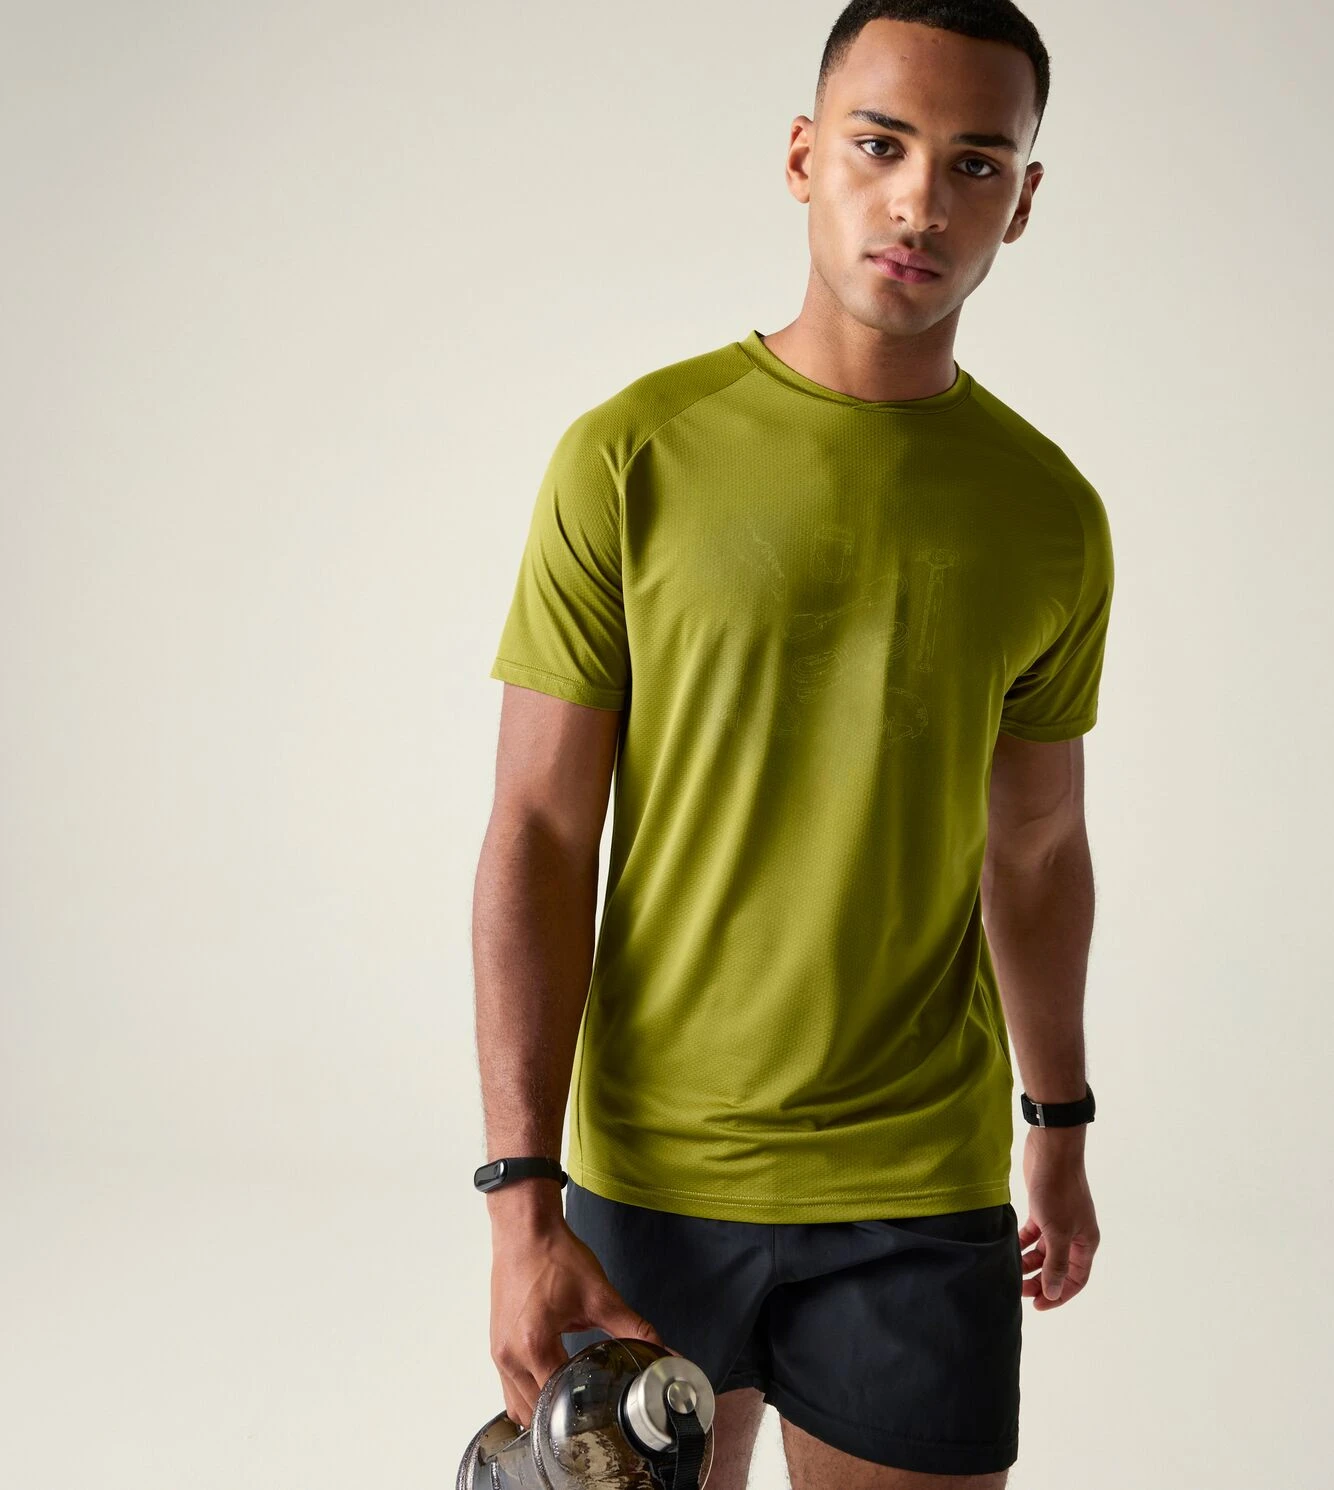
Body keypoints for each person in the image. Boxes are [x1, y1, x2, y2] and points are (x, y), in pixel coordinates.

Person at [471, 2, 1113, 1484]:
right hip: (648, 1174)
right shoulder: (632, 454)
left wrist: (1061, 1122)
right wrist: (518, 1203)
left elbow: (1035, 845)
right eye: (881, 146)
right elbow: (540, 831)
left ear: (1020, 200)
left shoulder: (1048, 514)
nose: (920, 201)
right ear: (804, 156)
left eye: (974, 164)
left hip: (918, 1186)